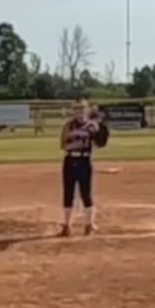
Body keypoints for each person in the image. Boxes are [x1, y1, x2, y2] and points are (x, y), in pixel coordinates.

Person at [58, 101, 108, 237]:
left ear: (87, 111)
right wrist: (76, 140)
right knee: (68, 193)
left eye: (82, 109)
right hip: (70, 160)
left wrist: (99, 131)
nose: (79, 112)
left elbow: (99, 143)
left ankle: (89, 225)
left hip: (84, 161)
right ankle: (67, 226)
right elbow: (62, 145)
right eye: (76, 109)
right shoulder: (69, 125)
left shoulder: (92, 126)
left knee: (86, 193)